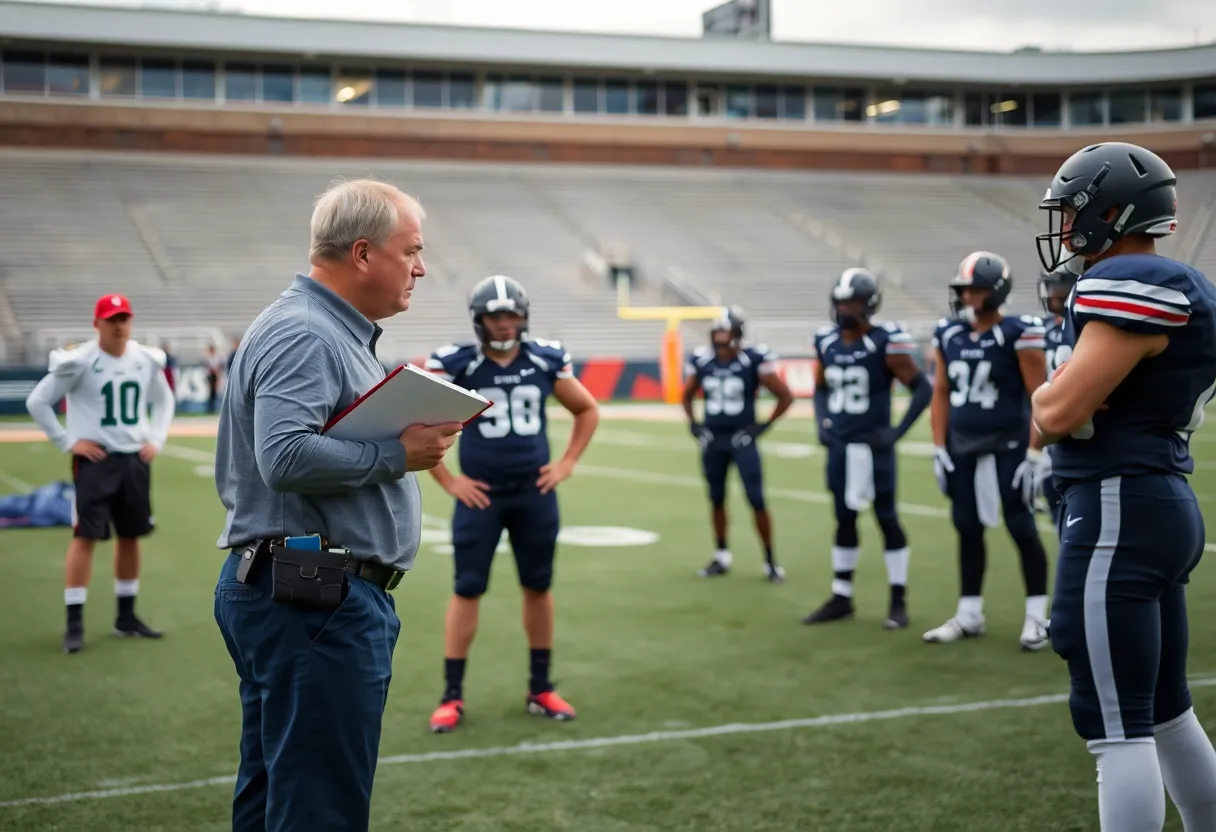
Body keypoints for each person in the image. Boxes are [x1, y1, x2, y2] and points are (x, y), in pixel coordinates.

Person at [212, 179, 462, 830]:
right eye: (410, 250)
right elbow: (285, 456)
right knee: (319, 806)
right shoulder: (308, 332)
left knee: (275, 793)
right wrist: (394, 455)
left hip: (298, 586)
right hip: (314, 591)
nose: (420, 267)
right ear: (361, 254)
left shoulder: (320, 328)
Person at [1032, 141, 1216, 832]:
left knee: (1115, 726)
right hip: (1155, 498)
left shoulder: (1132, 279)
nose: (1065, 226)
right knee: (1166, 712)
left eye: (1074, 211)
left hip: (1119, 505)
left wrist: (1047, 402)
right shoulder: (1176, 282)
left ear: (1114, 212)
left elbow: (1055, 411)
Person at [424, 275, 599, 734]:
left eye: (511, 315)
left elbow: (587, 409)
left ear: (523, 317)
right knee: (467, 588)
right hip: (481, 496)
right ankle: (452, 695)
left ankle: (540, 687)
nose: (504, 325)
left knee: (538, 586)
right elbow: (419, 423)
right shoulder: (455, 363)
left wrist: (566, 464)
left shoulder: (544, 357)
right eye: (494, 317)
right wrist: (448, 480)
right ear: (479, 321)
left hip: (533, 493)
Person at [25, 293, 174, 654]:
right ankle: (74, 623)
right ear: (97, 324)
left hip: (133, 459)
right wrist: (66, 441)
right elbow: (38, 401)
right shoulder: (78, 361)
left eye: (124, 318)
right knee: (85, 537)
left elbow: (164, 399)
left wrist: (156, 437)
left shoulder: (144, 359)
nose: (120, 325)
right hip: (96, 461)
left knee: (131, 535)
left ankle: (126, 616)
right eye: (112, 319)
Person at [923, 251, 1052, 651]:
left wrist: (1036, 453)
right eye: (964, 290)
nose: (968, 298)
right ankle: (969, 614)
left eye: (976, 290)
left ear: (997, 291)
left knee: (1020, 525)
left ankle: (1036, 616)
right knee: (966, 525)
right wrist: (939, 446)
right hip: (963, 442)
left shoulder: (1020, 332)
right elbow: (941, 393)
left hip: (1009, 441)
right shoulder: (949, 334)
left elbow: (1040, 397)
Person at [802, 268, 932, 630]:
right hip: (841, 447)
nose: (845, 309)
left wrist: (895, 433)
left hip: (873, 448)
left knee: (886, 518)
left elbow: (922, 389)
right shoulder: (826, 342)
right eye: (841, 302)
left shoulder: (885, 342)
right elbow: (821, 388)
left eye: (853, 302)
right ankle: (841, 595)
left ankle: (898, 599)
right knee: (843, 517)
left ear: (869, 304)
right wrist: (822, 423)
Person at [683, 306, 794, 582]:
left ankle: (770, 560)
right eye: (716, 331)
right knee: (716, 498)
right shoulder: (702, 360)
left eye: (724, 331)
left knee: (756, 499)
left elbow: (785, 396)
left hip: (741, 439)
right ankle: (721, 555)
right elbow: (686, 395)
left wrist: (762, 426)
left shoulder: (752, 360)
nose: (719, 337)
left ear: (736, 333)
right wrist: (695, 424)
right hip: (713, 440)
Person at [1035, 266, 1078, 525]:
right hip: (1047, 417)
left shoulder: (1087, 323)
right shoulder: (1039, 328)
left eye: (1059, 287)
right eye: (1051, 288)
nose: (1052, 294)